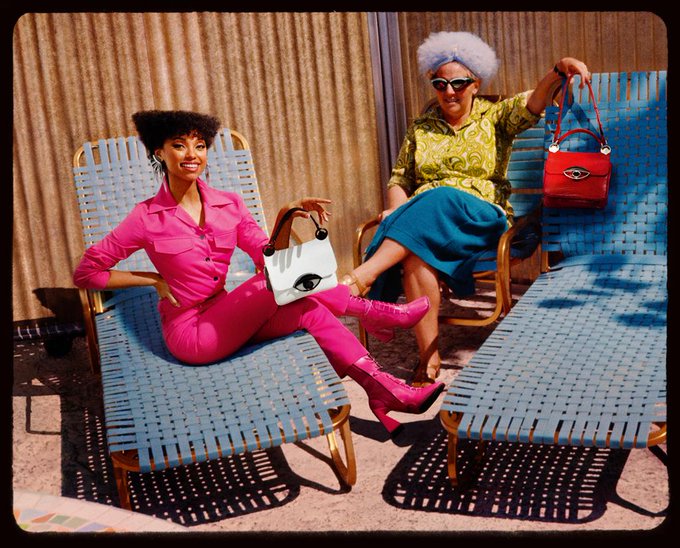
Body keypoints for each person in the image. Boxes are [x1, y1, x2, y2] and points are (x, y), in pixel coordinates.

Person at [73, 109, 445, 437]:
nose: (191, 155)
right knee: (269, 286)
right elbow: (87, 273)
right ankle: (375, 313)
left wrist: (287, 213)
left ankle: (383, 392)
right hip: (192, 333)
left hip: (228, 316)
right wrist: (151, 279)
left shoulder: (229, 204)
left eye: (199, 146)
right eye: (179, 146)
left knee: (306, 309)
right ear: (159, 152)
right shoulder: (146, 217)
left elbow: (270, 258)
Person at [339, 31, 591, 385]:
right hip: (430, 225)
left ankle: (363, 281)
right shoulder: (421, 127)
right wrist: (396, 212)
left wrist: (557, 71)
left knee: (440, 196)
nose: (449, 91)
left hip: (482, 219)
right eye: (440, 84)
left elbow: (535, 103)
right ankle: (429, 359)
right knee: (416, 256)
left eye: (458, 83)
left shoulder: (496, 117)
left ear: (476, 84)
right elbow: (399, 179)